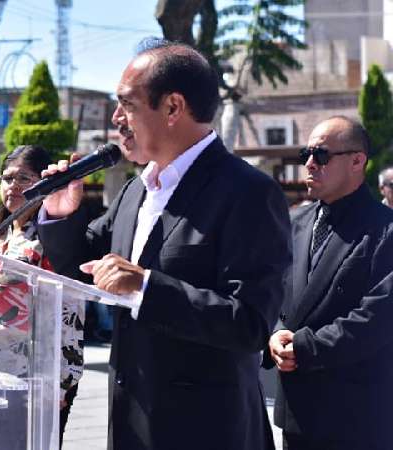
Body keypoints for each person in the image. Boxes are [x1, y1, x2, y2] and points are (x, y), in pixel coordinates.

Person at [37, 39, 292, 450]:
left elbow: (249, 325)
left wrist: (146, 287)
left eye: (127, 105)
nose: (117, 118)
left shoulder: (247, 192)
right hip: (132, 425)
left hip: (207, 432)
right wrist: (63, 215)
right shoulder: (138, 190)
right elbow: (84, 264)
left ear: (173, 107)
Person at [264, 117, 393, 450]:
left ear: (356, 161)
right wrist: (275, 333)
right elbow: (275, 293)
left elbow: (378, 317)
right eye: (306, 152)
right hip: (295, 414)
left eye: (320, 155)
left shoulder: (385, 229)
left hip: (358, 416)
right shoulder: (295, 222)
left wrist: (305, 348)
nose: (309, 163)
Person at [0, 144, 84, 447]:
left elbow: (69, 309)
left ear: (44, 183)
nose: (12, 185)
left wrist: (61, 383)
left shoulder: (51, 235)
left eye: (24, 178)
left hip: (33, 380)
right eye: (7, 177)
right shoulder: (1, 233)